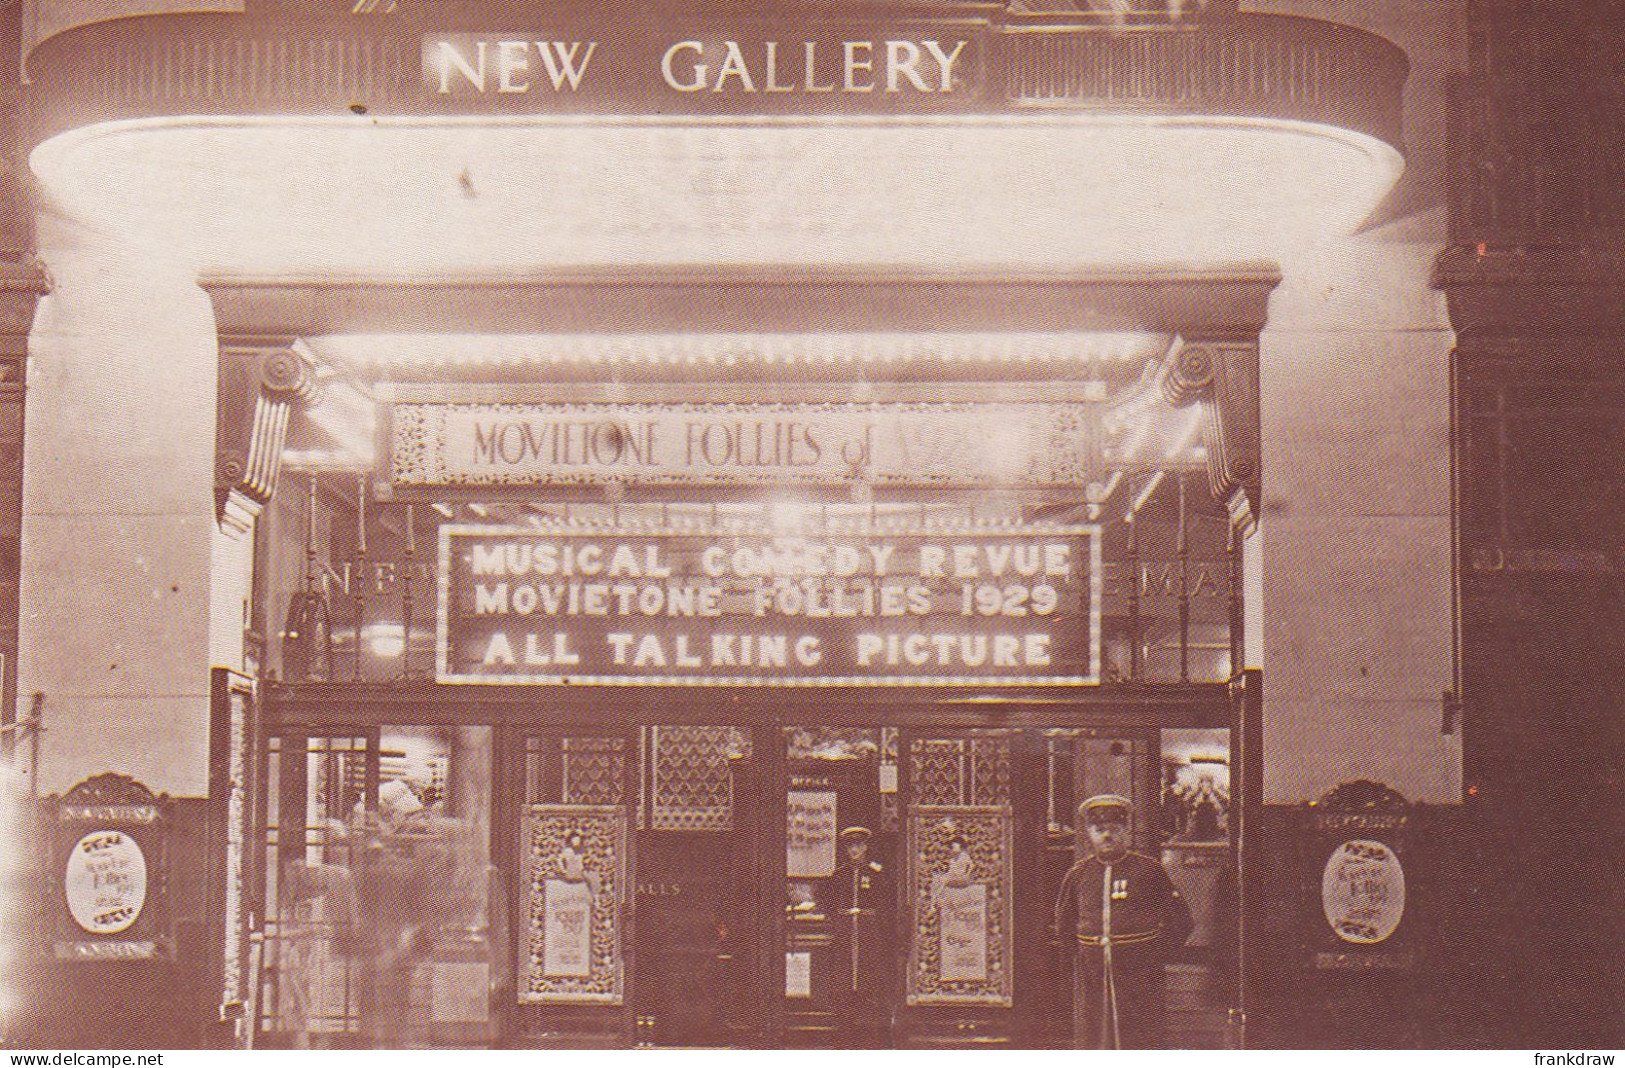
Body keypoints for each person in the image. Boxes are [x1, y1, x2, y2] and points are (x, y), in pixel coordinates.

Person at [1054, 794, 1193, 1049]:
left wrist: (1154, 954)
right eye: (1100, 830)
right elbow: (1064, 927)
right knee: (1094, 1039)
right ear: (1088, 833)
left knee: (1140, 1037)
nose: (1107, 836)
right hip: (1093, 974)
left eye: (1115, 829)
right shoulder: (1078, 875)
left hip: (1139, 975)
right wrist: (1079, 961)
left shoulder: (1148, 871)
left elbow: (1181, 920)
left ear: (1126, 831)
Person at [822, 826, 893, 1047]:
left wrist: (868, 917)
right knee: (844, 980)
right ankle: (846, 1031)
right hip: (845, 935)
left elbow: (885, 905)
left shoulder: (875, 873)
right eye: (850, 846)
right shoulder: (839, 874)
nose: (854, 850)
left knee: (868, 979)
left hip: (868, 935)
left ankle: (868, 1032)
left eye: (858, 846)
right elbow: (829, 903)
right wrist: (839, 918)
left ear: (865, 847)